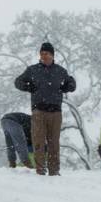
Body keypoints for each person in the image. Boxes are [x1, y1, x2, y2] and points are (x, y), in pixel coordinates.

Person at [14, 42, 76, 176]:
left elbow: (72, 83)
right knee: (38, 141)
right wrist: (29, 87)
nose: (43, 56)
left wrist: (66, 87)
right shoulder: (32, 70)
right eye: (41, 53)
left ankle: (54, 171)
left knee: (54, 142)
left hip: (55, 112)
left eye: (46, 53)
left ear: (52, 55)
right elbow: (18, 82)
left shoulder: (60, 71)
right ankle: (40, 170)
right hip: (38, 111)